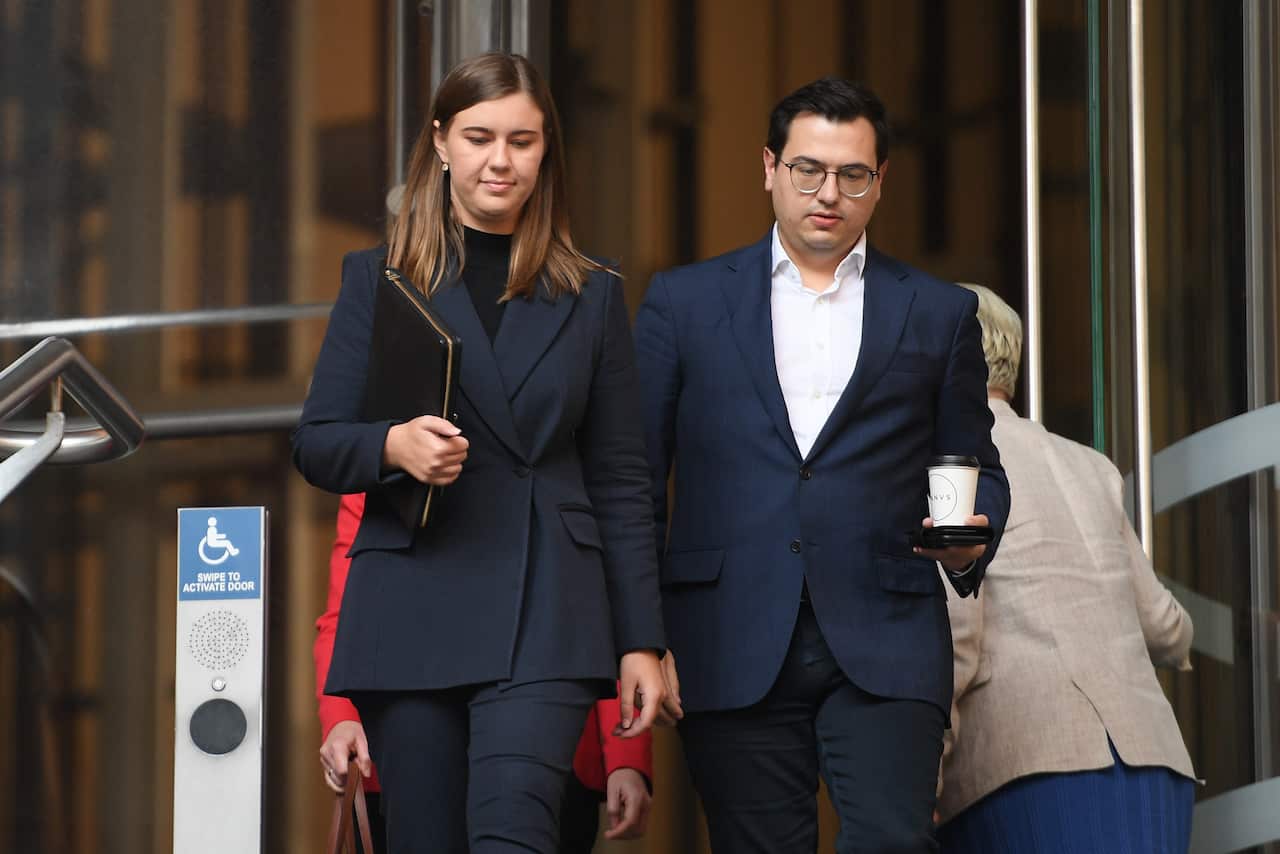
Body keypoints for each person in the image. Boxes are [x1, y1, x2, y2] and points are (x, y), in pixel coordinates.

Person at [292, 52, 669, 853]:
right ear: (440, 142)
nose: (501, 160)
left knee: (515, 835)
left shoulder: (592, 293)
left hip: (546, 609)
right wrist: (393, 444)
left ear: (546, 151)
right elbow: (317, 442)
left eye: (522, 141)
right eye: (479, 137)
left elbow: (621, 481)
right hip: (410, 603)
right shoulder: (379, 279)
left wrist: (641, 639)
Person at [633, 77, 1010, 853]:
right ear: (769, 167)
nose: (829, 193)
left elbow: (981, 468)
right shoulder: (683, 303)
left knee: (893, 842)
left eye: (852, 174)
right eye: (808, 170)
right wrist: (641, 636)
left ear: (881, 181)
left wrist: (972, 538)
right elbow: (635, 481)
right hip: (726, 633)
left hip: (887, 634)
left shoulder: (939, 312)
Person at [936, 284, 1196, 854]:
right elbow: (1163, 625)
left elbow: (955, 635)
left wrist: (921, 771)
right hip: (1154, 758)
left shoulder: (949, 468)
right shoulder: (1090, 464)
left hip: (1027, 762)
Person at [315, 493, 656, 853]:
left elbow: (593, 604)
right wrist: (342, 717)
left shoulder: (556, 463)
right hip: (408, 742)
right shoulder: (381, 475)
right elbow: (347, 613)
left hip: (546, 740)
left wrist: (626, 757)